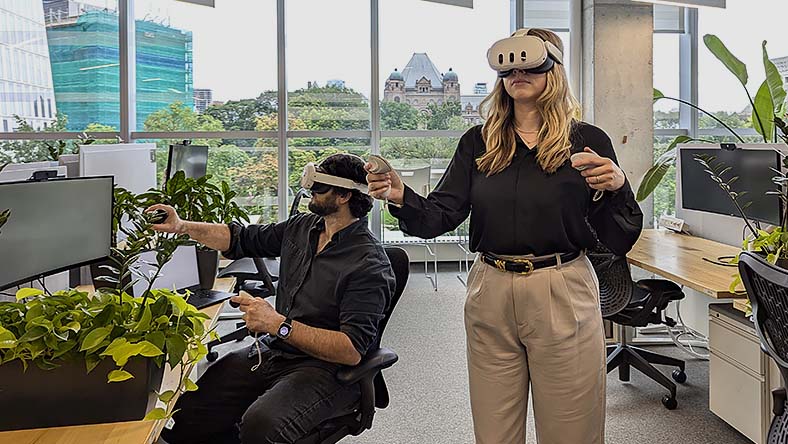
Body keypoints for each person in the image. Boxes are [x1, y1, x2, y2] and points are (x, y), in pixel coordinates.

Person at [366, 28, 643, 444]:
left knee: (573, 428)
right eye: (508, 66)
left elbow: (617, 237)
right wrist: (402, 196)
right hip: (490, 289)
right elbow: (442, 213)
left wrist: (617, 186)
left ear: (554, 68)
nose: (518, 71)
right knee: (494, 430)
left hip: (562, 286)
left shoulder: (587, 140)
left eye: (530, 62)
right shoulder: (478, 142)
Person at [151, 153, 396, 444]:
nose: (309, 193)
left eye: (318, 188)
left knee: (261, 426)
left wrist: (278, 325)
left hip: (327, 369)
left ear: (343, 195)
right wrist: (182, 226)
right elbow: (238, 238)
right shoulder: (303, 227)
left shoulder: (369, 264)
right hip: (277, 350)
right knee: (193, 407)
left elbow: (351, 350)